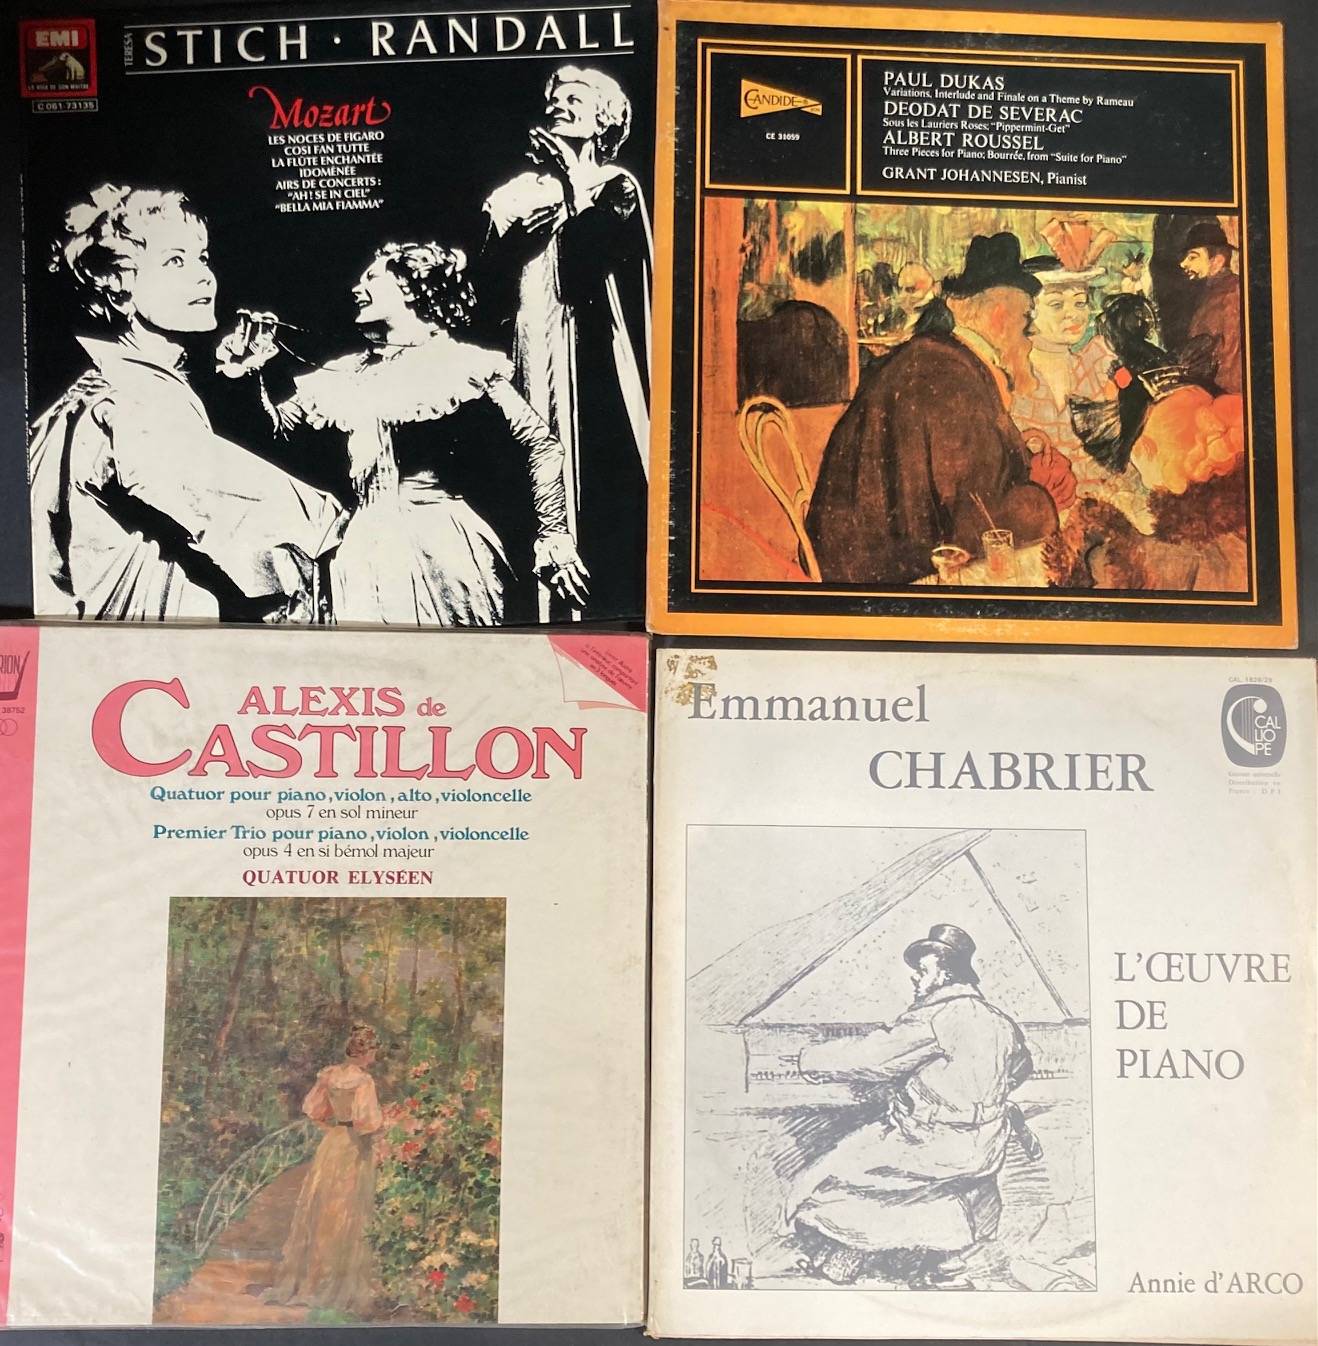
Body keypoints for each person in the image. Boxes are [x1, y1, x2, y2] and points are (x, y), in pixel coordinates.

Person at [219, 242, 588, 626]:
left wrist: (554, 534)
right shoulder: (346, 371)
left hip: (440, 550)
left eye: (372, 278)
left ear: (411, 288)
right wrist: (248, 372)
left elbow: (540, 444)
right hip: (360, 554)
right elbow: (275, 430)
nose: (357, 288)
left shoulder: (458, 362)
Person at [30, 184, 343, 622]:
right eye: (174, 260)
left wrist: (238, 378)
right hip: (148, 625)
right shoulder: (132, 393)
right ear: (118, 284)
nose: (204, 276)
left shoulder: (123, 377)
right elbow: (231, 502)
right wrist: (339, 527)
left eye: (202, 257)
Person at [479, 65, 652, 619]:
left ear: (604, 119)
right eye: (555, 99)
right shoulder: (521, 193)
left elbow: (584, 270)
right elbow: (487, 276)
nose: (560, 105)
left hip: (592, 355)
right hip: (528, 348)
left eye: (576, 99)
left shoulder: (616, 187)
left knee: (600, 475)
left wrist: (573, 184)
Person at [804, 233, 1076, 584]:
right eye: (1026, 319)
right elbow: (978, 529)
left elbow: (964, 476)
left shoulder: (940, 358)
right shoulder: (951, 379)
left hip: (866, 565)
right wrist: (1043, 495)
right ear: (999, 315)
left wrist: (1024, 457)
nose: (1031, 334)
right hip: (886, 582)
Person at [784, 925, 1037, 1289]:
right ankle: (946, 1267)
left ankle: (842, 1263)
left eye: (923, 970)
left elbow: (875, 1056)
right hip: (985, 1142)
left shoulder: (938, 1016)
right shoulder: (999, 1021)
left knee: (840, 1173)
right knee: (932, 1196)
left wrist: (808, 1059)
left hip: (935, 1141)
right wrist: (974, 1096)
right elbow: (1021, 1068)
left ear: (945, 973)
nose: (916, 979)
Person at [1010, 258, 1149, 527]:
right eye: (1056, 304)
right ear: (1026, 310)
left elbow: (1122, 459)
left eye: (1080, 302)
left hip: (1104, 515)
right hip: (1035, 521)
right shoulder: (1008, 376)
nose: (1073, 315)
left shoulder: (1098, 367)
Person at [266, 1024, 385, 1316]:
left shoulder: (330, 1075)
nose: (374, 1057)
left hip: (333, 1143)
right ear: (365, 1051)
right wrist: (383, 1130)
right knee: (346, 1211)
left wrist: (332, 1128)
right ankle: (335, 1285)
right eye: (373, 1051)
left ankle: (312, 1280)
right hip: (354, 1147)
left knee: (323, 1209)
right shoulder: (363, 1081)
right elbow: (367, 1123)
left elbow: (314, 1111)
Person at [1177, 219, 1242, 395]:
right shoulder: (1211, 292)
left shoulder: (1233, 293)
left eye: (1192, 257)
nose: (1183, 264)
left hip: (1225, 395)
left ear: (1217, 261)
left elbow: (1232, 359)